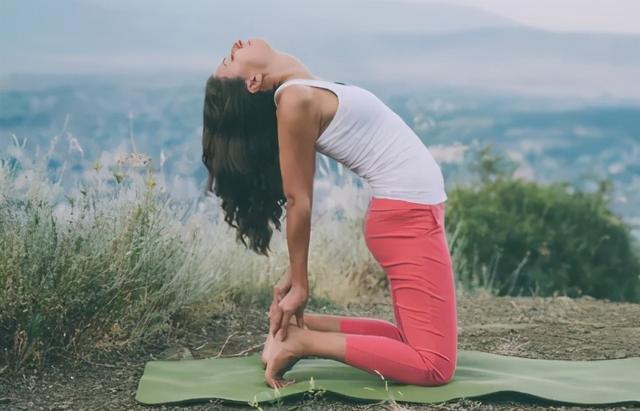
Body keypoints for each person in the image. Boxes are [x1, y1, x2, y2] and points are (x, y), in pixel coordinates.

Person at [204, 38, 457, 389]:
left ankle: (296, 329)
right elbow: (298, 200)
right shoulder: (294, 99)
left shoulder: (301, 87)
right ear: (253, 81)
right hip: (406, 221)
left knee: (400, 339)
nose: (235, 45)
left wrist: (294, 280)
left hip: (408, 216)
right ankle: (299, 342)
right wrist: (300, 281)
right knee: (434, 367)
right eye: (230, 58)